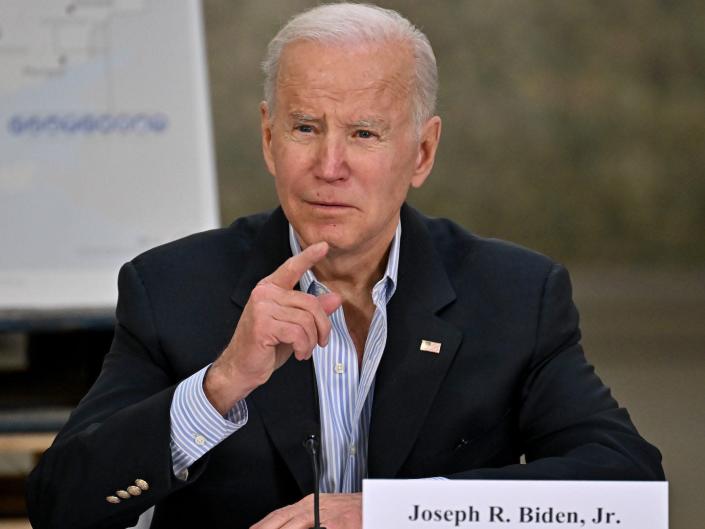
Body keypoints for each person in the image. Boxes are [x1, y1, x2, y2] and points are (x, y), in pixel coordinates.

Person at [27, 4, 664, 529]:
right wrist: (218, 387)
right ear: (268, 138)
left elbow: (630, 487)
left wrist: (391, 514)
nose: (329, 166)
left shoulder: (517, 295)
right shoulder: (169, 289)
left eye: (364, 133)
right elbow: (59, 505)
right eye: (305, 127)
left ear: (422, 152)